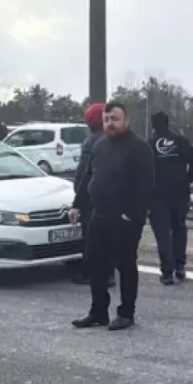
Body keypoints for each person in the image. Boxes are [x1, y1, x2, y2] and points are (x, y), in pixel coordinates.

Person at [69, 102, 154, 331]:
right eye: (107, 119)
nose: (110, 123)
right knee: (95, 264)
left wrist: (132, 214)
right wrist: (77, 204)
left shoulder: (139, 147)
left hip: (125, 218)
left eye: (115, 119)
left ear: (126, 121)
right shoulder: (99, 145)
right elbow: (88, 177)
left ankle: (126, 313)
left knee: (125, 266)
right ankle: (98, 312)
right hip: (99, 215)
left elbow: (146, 185)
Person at [147, 111, 193, 285]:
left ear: (153, 125)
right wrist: (187, 179)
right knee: (179, 228)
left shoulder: (148, 145)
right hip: (180, 193)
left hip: (157, 195)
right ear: (168, 123)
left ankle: (167, 272)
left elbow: (141, 170)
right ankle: (180, 266)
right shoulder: (181, 141)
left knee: (162, 233)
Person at [70, 102, 114, 288]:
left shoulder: (91, 141)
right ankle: (110, 273)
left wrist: (76, 197)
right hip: (112, 195)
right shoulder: (112, 138)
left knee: (90, 236)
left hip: (92, 196)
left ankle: (89, 272)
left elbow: (84, 172)